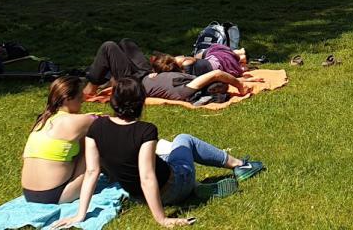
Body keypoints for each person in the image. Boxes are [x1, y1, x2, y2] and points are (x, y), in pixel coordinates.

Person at [55, 78, 263, 228]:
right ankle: (238, 165)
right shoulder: (145, 130)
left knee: (164, 156)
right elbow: (147, 176)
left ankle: (197, 187)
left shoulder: (96, 128)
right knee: (184, 140)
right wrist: (161, 219)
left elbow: (92, 172)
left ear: (113, 101)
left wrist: (80, 214)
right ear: (140, 103)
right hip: (173, 187)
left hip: (139, 197)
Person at [20, 76, 99, 204]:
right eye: (80, 97)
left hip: (29, 194)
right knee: (95, 141)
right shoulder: (76, 121)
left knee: (78, 141)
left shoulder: (42, 121)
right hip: (55, 195)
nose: (83, 100)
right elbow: (110, 123)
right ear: (68, 99)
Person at [142, 54, 249, 103]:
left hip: (220, 58)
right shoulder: (185, 86)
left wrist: (240, 85)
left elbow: (217, 74)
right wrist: (240, 85)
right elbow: (217, 74)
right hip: (220, 59)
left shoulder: (185, 83)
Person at [83, 39, 152, 98]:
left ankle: (91, 89)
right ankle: (111, 80)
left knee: (108, 46)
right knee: (126, 42)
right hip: (147, 73)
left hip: (133, 83)